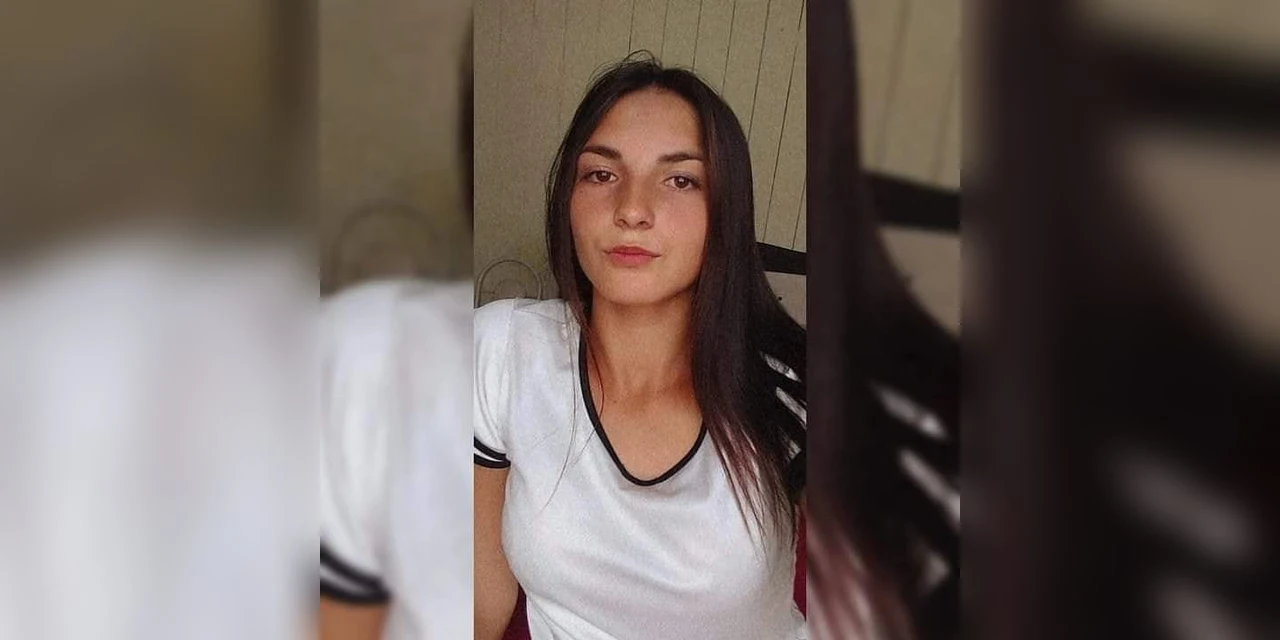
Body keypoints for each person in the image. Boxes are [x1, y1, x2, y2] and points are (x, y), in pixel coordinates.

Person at [472, 57, 808, 640]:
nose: (631, 210)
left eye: (680, 180)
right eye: (601, 174)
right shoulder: (503, 351)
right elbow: (478, 605)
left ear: (726, 212)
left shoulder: (791, 392)